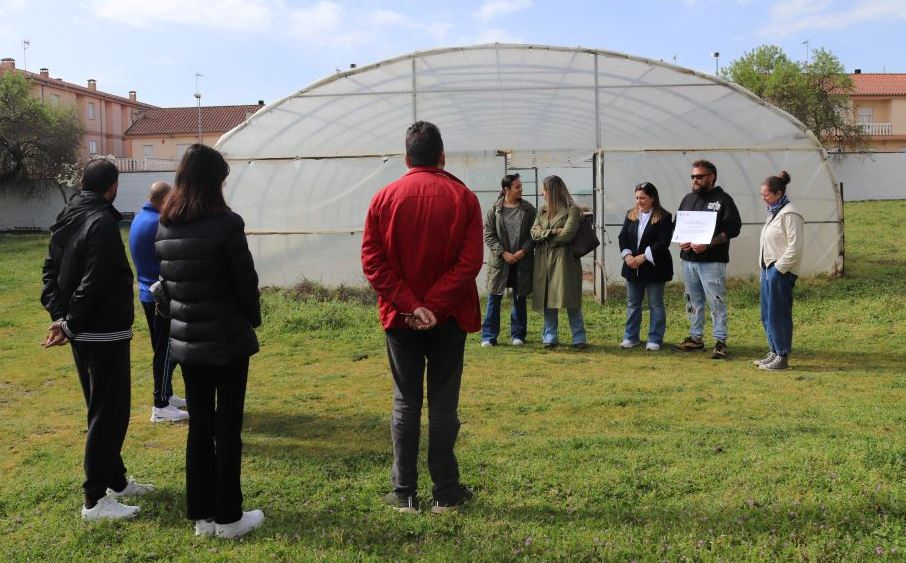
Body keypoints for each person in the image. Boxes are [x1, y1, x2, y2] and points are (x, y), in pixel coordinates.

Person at [361, 121, 483, 514]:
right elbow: (469, 263)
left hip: (401, 319)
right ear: (442, 156)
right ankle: (446, 493)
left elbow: (373, 261)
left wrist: (412, 304)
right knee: (443, 405)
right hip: (447, 318)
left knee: (406, 403)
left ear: (406, 157)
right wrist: (433, 305)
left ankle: (404, 494)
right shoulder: (464, 198)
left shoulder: (384, 198)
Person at [155, 144, 264, 539]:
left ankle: (202, 516)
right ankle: (230, 517)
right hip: (228, 341)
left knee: (199, 427)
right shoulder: (227, 224)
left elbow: (171, 284)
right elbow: (245, 282)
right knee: (228, 428)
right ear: (212, 181)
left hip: (187, 341)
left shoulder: (165, 224)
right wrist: (253, 316)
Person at [41, 158, 155, 521]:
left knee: (101, 408)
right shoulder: (102, 221)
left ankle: (116, 481)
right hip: (102, 332)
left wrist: (61, 319)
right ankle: (94, 500)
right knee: (109, 413)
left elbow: (49, 275)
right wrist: (69, 322)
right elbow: (95, 281)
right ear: (113, 187)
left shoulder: (68, 215)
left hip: (84, 331)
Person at [128, 181, 189, 423]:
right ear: (164, 199)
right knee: (166, 350)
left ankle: (167, 394)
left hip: (147, 292)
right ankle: (160, 405)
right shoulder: (157, 223)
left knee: (162, 348)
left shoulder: (140, 217)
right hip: (160, 296)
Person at [672, 160, 741, 359]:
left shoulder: (723, 199)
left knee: (716, 301)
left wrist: (708, 243)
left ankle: (720, 341)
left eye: (699, 176)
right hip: (689, 260)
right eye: (693, 176)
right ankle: (695, 338)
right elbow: (679, 225)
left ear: (711, 177)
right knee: (693, 301)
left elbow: (733, 228)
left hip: (712, 261)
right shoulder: (688, 199)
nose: (695, 179)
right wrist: (682, 241)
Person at [754, 171, 804, 371]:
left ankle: (782, 356)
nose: (763, 198)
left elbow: (795, 247)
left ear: (779, 193)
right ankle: (774, 351)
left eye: (766, 194)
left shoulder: (790, 214)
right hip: (768, 269)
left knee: (778, 313)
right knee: (767, 313)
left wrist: (778, 269)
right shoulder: (774, 212)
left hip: (780, 271)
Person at [530, 175, 587, 349]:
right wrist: (553, 231)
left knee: (570, 298)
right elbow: (533, 232)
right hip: (544, 261)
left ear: (552, 191)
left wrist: (546, 237)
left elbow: (568, 234)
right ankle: (550, 336)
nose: (542, 193)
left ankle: (579, 338)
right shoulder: (542, 210)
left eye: (544, 190)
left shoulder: (572, 210)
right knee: (548, 298)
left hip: (565, 262)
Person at [617, 182, 674, 351]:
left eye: (642, 198)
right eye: (636, 198)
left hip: (655, 268)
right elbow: (623, 237)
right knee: (633, 304)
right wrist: (627, 256)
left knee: (655, 304)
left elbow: (663, 242)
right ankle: (631, 337)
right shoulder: (630, 214)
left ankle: (655, 339)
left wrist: (642, 257)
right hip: (632, 267)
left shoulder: (664, 216)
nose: (639, 201)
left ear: (652, 198)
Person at [481, 173, 536, 347]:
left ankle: (518, 335)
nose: (521, 189)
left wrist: (523, 251)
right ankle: (488, 337)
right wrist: (503, 253)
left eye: (520, 186)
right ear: (507, 189)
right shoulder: (495, 210)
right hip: (500, 262)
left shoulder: (528, 209)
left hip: (522, 261)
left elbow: (534, 234)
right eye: (517, 187)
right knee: (494, 297)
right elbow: (488, 234)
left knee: (519, 298)